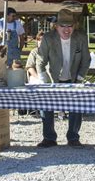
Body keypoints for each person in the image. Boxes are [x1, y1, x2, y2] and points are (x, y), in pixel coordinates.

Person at [32, 9, 90, 148]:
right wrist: (44, 80)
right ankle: (49, 138)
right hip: (53, 78)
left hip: (74, 77)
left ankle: (73, 137)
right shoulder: (48, 38)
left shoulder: (81, 37)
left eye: (69, 26)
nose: (66, 29)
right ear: (56, 26)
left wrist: (80, 78)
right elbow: (40, 61)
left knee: (77, 106)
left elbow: (86, 59)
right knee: (46, 105)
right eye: (62, 26)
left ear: (74, 26)